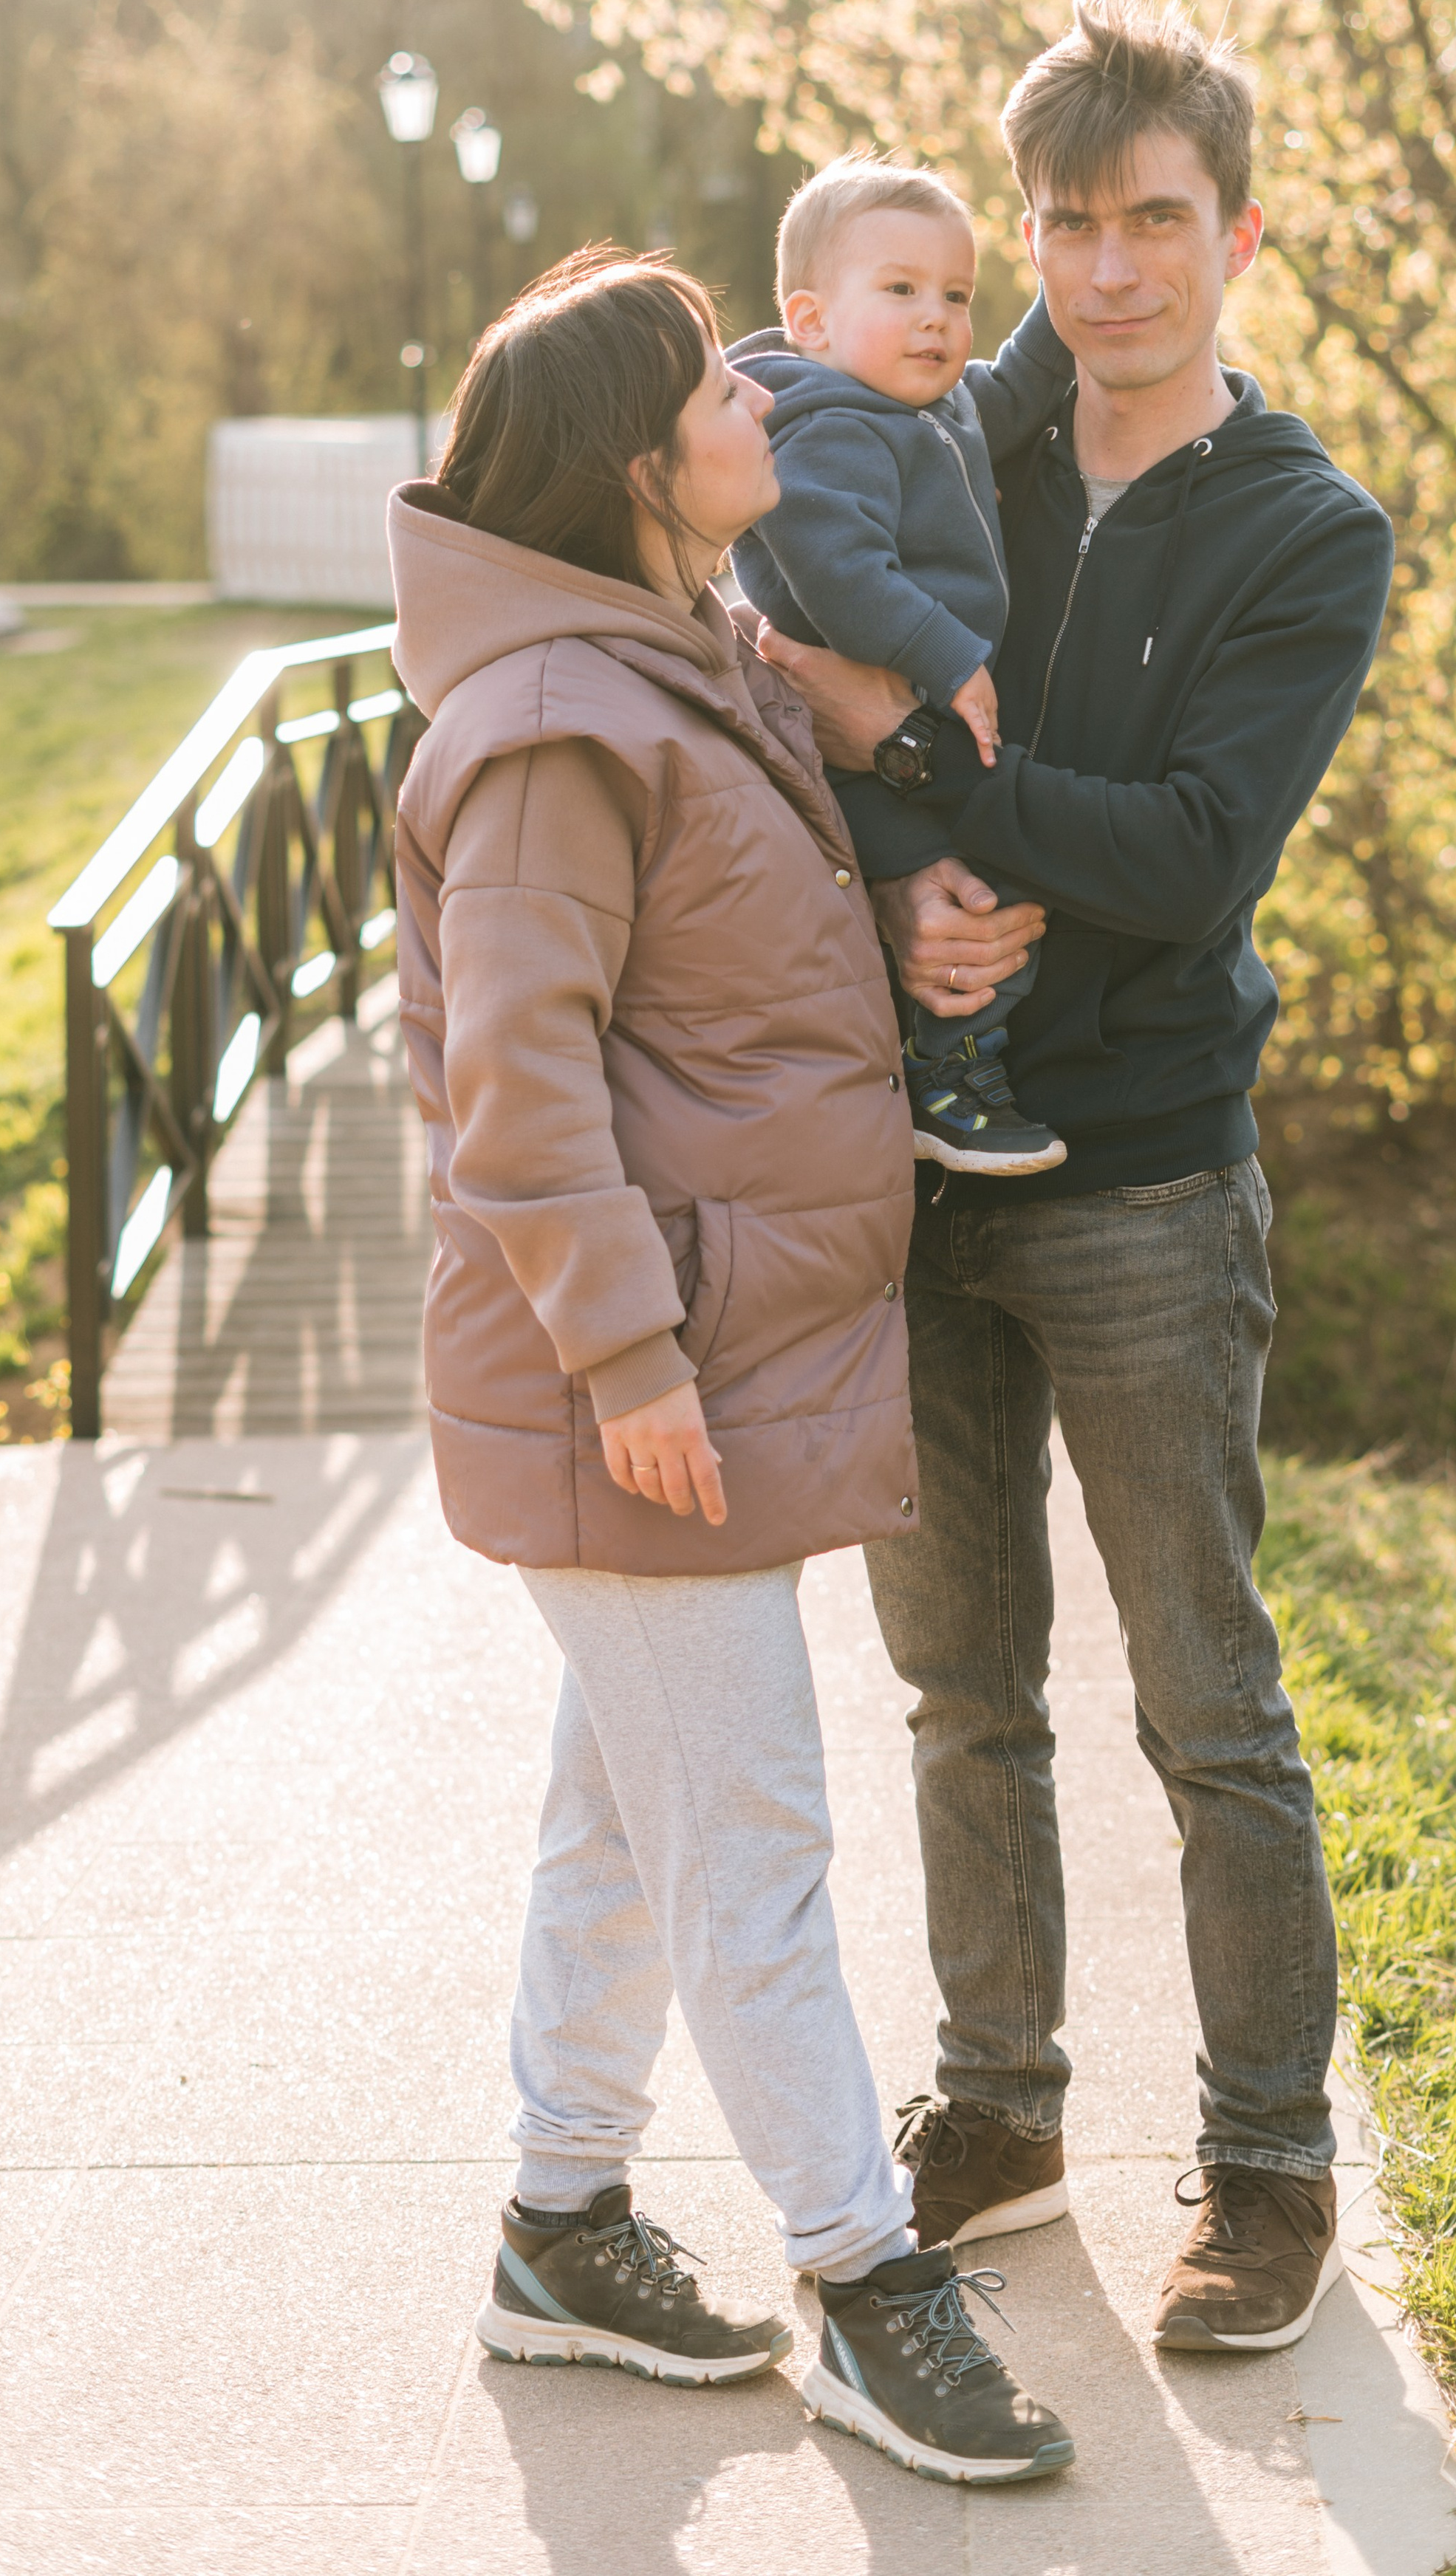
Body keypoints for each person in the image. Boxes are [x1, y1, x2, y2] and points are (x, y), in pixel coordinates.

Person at [386, 247, 1073, 2483]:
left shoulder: (677, 664)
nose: (761, 401)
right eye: (717, 387)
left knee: (629, 1818)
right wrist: (629, 1360)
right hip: (645, 1376)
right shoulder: (555, 729)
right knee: (750, 1829)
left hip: (705, 1353)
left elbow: (727, 973)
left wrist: (913, 922)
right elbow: (516, 1081)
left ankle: (560, 2220)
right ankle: (869, 2282)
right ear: (634, 466)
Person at [759, 0, 1397, 2354]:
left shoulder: (1309, 529)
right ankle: (1005, 2107)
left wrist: (940, 774)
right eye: (1063, 225)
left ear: (1235, 230)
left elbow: (1193, 851)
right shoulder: (925, 406)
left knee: (1205, 1701)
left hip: (1139, 1177)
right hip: (915, 1171)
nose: (1103, 273)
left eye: (1154, 224)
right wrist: (890, 892)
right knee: (961, 1695)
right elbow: (759, 609)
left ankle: (1262, 2164)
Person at [728, 157, 1073, 1177]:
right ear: (812, 320)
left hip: (911, 722)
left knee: (982, 883)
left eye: (957, 296)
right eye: (902, 291)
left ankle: (944, 1067)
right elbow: (842, 576)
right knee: (973, 900)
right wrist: (949, 656)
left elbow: (1007, 393)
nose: (938, 320)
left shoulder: (929, 407)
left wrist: (1063, 291)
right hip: (849, 748)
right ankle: (948, 1080)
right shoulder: (830, 428)